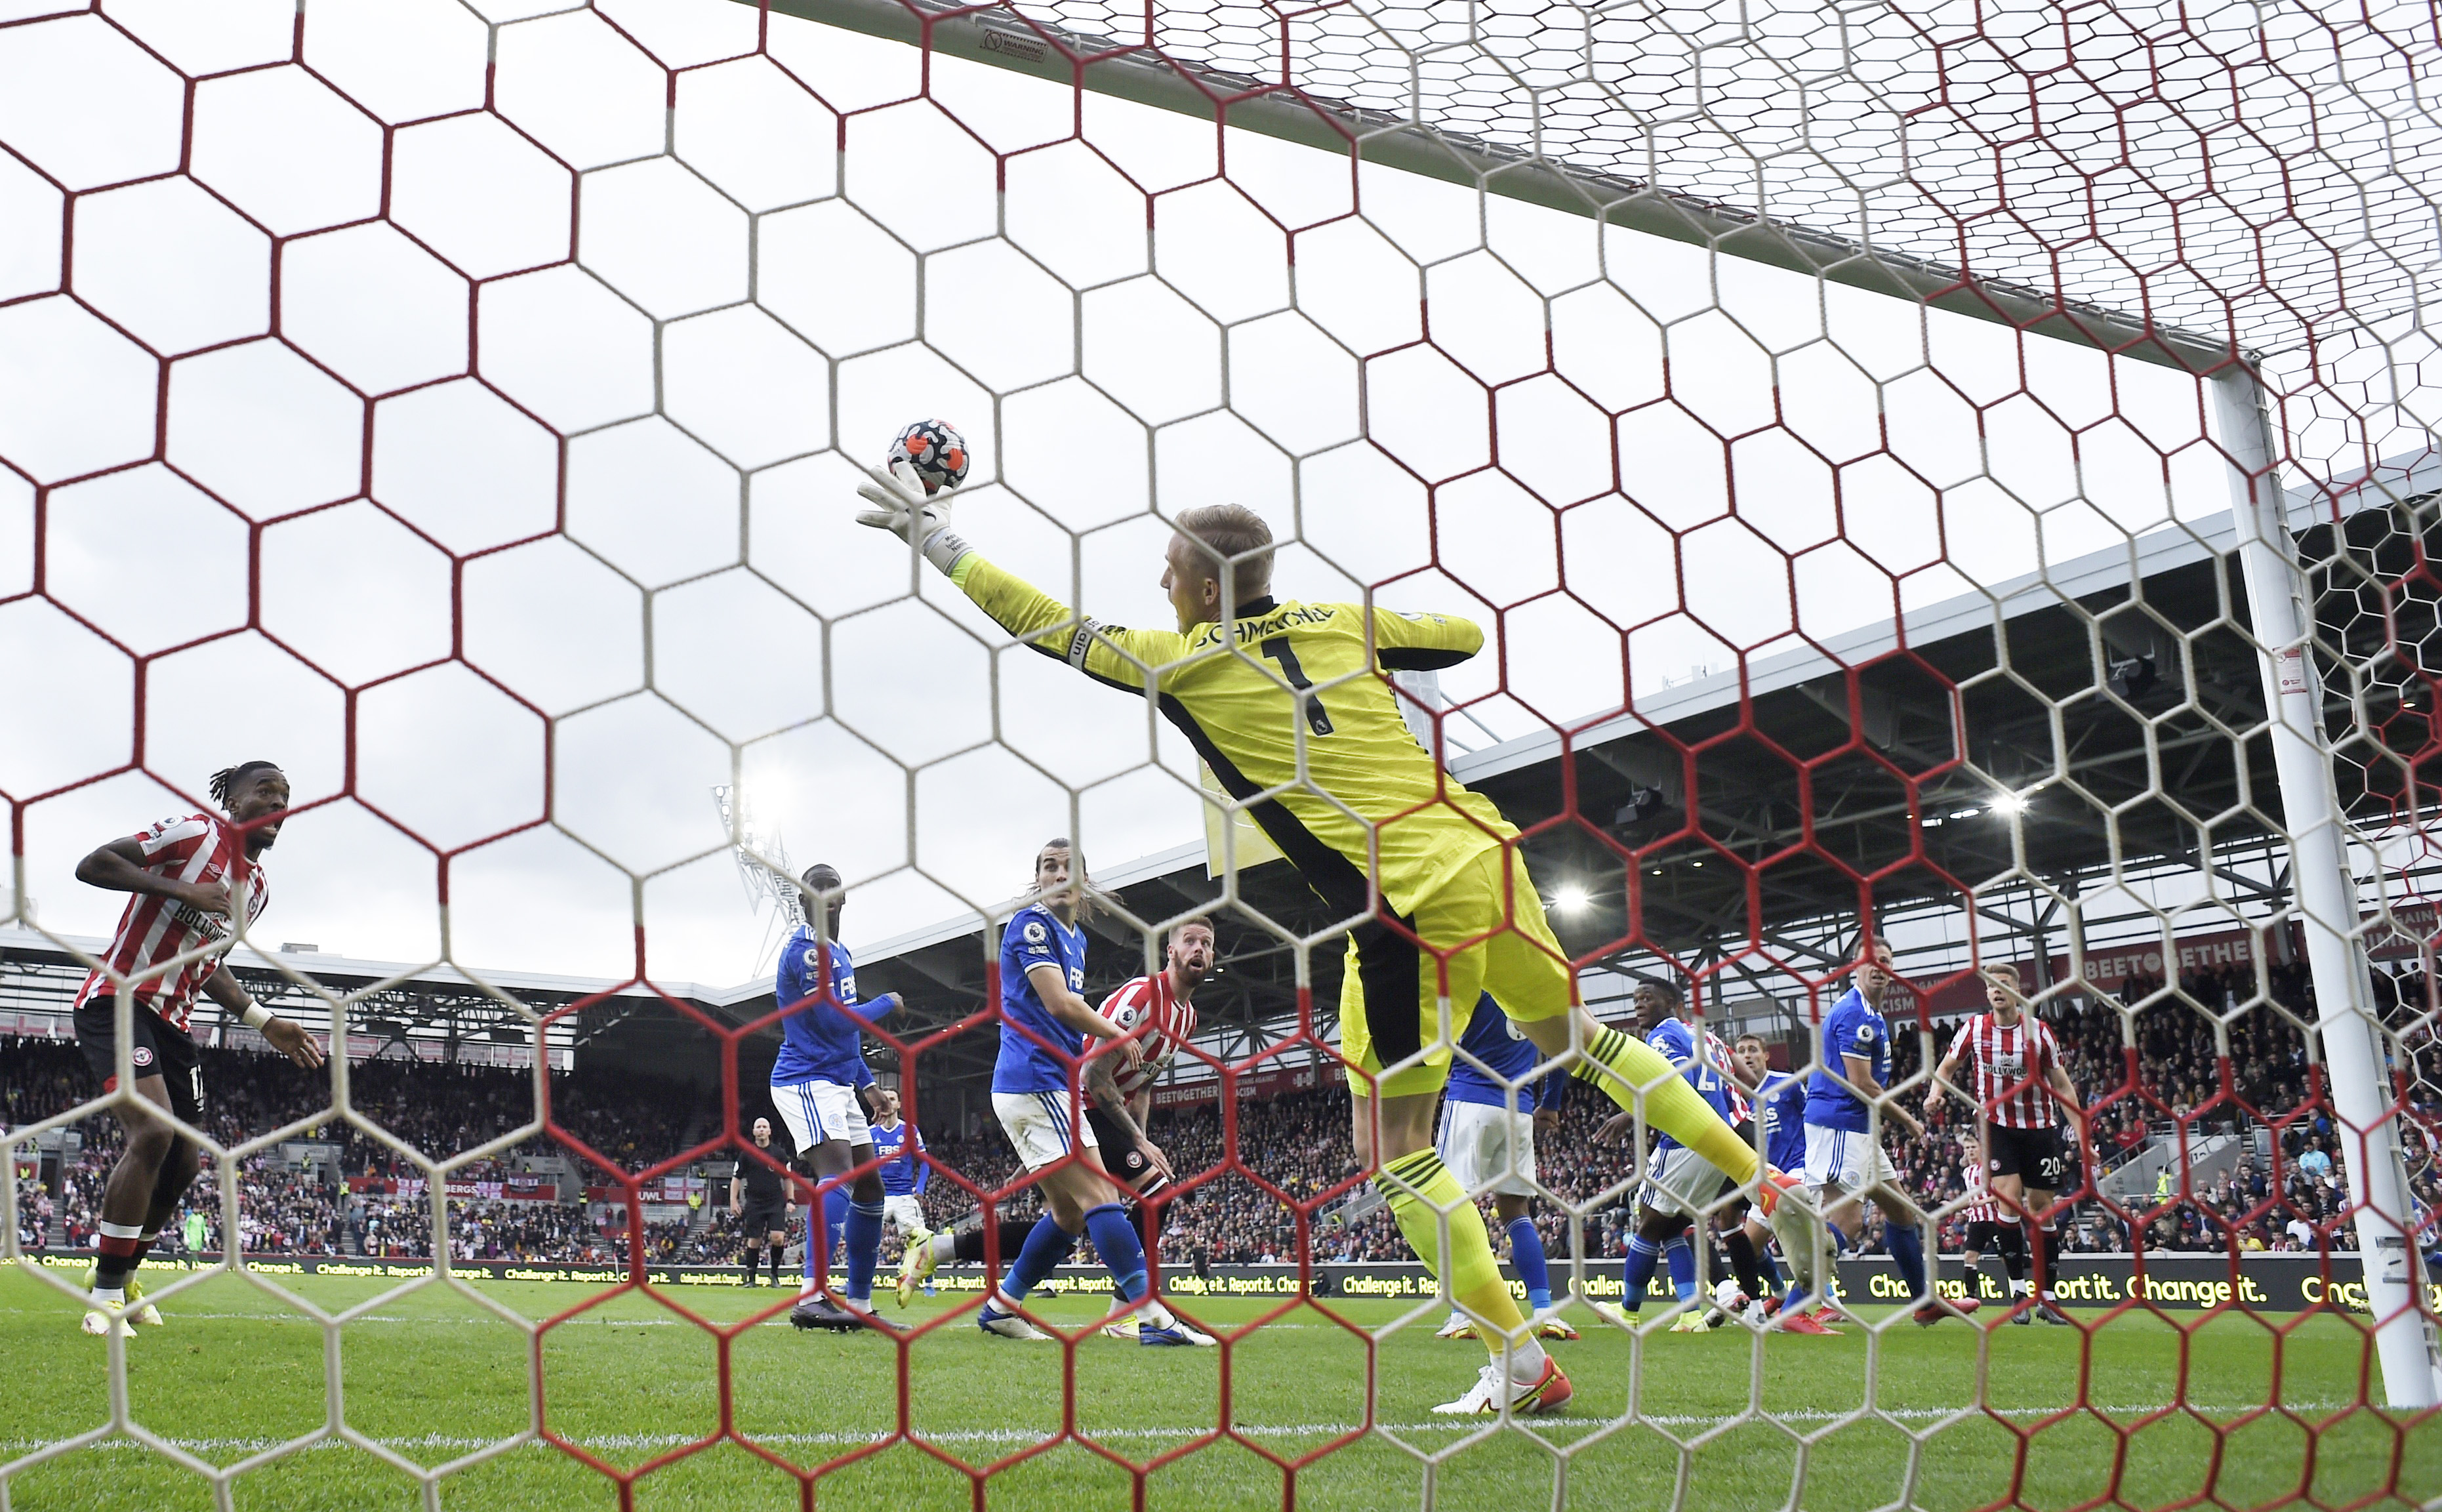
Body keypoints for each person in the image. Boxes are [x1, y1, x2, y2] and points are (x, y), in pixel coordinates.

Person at [857, 475, 1797, 1415]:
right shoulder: (1337, 624)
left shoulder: (1183, 659)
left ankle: (1518, 1363)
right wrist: (1355, 630)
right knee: (1576, 1042)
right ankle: (1760, 1173)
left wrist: (938, 541)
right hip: (1483, 853)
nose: (1161, 584)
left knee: (1392, 1152)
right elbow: (1463, 638)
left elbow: (1049, 626)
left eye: (1172, 570)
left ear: (1210, 589)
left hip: (1403, 898)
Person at [70, 762, 324, 1337]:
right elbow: (93, 864)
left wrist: (264, 1021)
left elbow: (208, 964)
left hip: (174, 1025)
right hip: (119, 998)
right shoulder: (191, 833)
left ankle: (122, 1275)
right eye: (265, 790)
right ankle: (105, 1298)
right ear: (233, 801)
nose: (277, 801)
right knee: (153, 1133)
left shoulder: (255, 892)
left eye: (284, 795)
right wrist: (183, 887)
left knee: (184, 1163)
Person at [969, 839, 1211, 1346]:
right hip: (1034, 1077)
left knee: (1070, 1213)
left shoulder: (1074, 938)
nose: (1058, 874)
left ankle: (1000, 1306)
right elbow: (1059, 1004)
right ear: (1038, 879)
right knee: (1102, 1196)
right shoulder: (1032, 925)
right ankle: (1150, 1317)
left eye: (1068, 867)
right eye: (1048, 867)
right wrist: (1116, 1035)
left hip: (1050, 1082)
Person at [1803, 936, 1976, 1326]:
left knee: (1902, 1215)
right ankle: (1797, 1306)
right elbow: (1861, 1083)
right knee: (1847, 1221)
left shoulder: (1872, 1014)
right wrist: (1908, 1120)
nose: (1879, 968)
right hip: (1839, 1125)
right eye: (1871, 962)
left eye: (1885, 961)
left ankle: (1924, 1301)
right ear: (1854, 968)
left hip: (1859, 1128)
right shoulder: (1855, 1014)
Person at [769, 863, 903, 1332]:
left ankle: (860, 1304)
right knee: (838, 1175)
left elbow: (843, 1034)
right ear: (804, 901)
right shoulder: (805, 953)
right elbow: (832, 1020)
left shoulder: (839, 952)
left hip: (837, 1080)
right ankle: (811, 1297)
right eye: (816, 890)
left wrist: (867, 1085)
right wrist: (886, 1002)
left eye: (832, 888)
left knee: (870, 1188)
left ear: (844, 897)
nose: (826, 896)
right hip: (804, 1079)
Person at [1591, 982, 1766, 1334]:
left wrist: (1629, 1115)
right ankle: (1694, 1311)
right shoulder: (1708, 1038)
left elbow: (1671, 1079)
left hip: (1686, 1134)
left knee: (1648, 1221)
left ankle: (1629, 1311)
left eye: (1648, 999)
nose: (1640, 1005)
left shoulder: (1663, 1034)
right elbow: (1748, 1079)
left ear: (1673, 1004)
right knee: (1675, 1225)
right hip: (1723, 1134)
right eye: (1636, 1000)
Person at [1084, 920, 1211, 1341]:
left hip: (1109, 1113)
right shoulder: (1142, 995)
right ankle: (1131, 1314)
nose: (1200, 949)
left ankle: (948, 1254)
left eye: (1207, 944)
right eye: (1190, 941)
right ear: (1170, 952)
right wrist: (1137, 1141)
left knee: (1066, 1221)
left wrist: (1144, 1139)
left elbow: (1144, 1086)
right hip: (1079, 1107)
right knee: (1157, 1196)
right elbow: (1093, 1077)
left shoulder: (1187, 1017)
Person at [1932, 962, 2079, 1325]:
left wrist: (2082, 1131)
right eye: (1991, 987)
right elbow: (1947, 1067)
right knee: (2009, 1200)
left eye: (2003, 985)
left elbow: (2061, 1085)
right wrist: (1936, 1091)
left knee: (2042, 1207)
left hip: (2040, 1128)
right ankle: (2018, 1293)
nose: (1997, 991)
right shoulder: (1975, 1029)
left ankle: (2048, 1296)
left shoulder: (2039, 1033)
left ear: (2017, 990)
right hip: (1997, 1126)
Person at [1429, 992, 1577, 1342]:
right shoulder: (1526, 987)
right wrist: (1551, 1103)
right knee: (1515, 1210)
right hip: (1519, 1108)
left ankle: (1461, 1314)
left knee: (1452, 1207)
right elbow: (1560, 1050)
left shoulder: (1474, 983)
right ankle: (1544, 1311)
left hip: (1470, 1099)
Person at [1730, 1031, 1821, 1331]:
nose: (1747, 1055)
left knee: (1804, 1244)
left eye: (1753, 1050)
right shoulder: (1738, 1096)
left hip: (1796, 1172)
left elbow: (1812, 1118)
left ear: (1766, 1055)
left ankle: (1803, 1308)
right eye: (1741, 1050)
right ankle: (1782, 1295)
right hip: (1764, 1177)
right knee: (1750, 1248)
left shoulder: (1788, 1083)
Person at [867, 1087, 930, 1285]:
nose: (889, 1102)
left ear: (899, 1104)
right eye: (885, 1099)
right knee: (862, 1237)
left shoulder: (909, 1131)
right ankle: (857, 1280)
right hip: (879, 1196)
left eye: (892, 1099)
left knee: (920, 1239)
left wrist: (919, 1189)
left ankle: (927, 1282)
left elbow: (925, 1162)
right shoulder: (870, 1133)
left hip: (904, 1195)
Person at [730, 1116, 792, 1287]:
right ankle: (751, 1279)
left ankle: (774, 1275)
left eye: (765, 1126)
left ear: (770, 1131)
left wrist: (791, 1199)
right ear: (754, 1131)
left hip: (775, 1202)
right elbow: (736, 1178)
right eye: (759, 1127)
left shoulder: (779, 1153)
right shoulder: (746, 1154)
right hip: (754, 1203)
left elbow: (788, 1178)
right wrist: (733, 1201)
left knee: (778, 1238)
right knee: (754, 1241)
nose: (762, 1130)